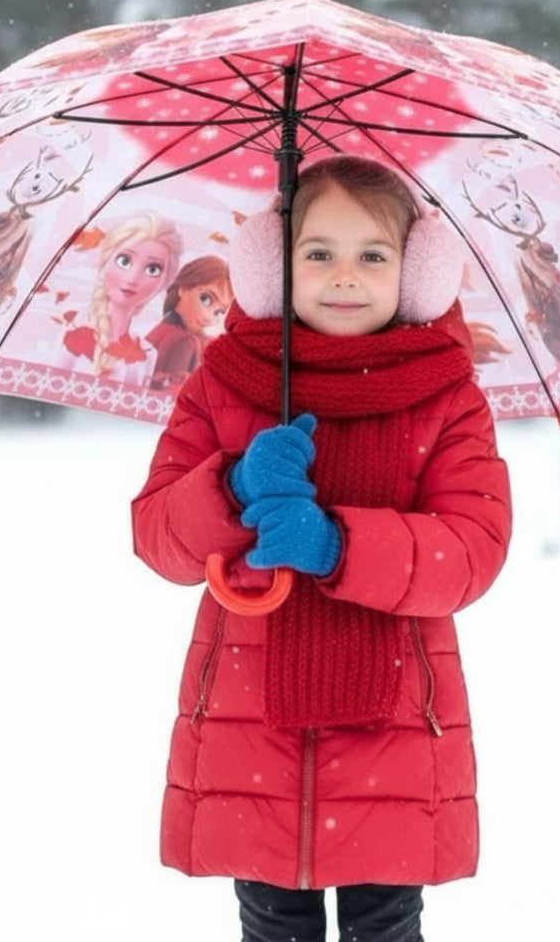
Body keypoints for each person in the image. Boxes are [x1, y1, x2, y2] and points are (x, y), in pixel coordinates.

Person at [131, 155, 512, 942]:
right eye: (319, 253)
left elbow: (471, 550)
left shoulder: (446, 396)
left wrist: (338, 544)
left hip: (399, 725)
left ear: (415, 273)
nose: (346, 276)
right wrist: (232, 486)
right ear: (274, 267)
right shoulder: (224, 384)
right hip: (250, 714)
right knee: (272, 926)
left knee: (384, 926)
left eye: (373, 254)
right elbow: (157, 538)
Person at [62, 211, 182, 385]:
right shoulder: (73, 335)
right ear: (105, 262)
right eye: (124, 261)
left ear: (165, 282)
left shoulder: (147, 353)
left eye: (153, 269)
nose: (133, 279)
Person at [146, 255, 233, 390]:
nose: (208, 316)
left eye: (219, 312)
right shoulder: (184, 341)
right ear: (183, 289)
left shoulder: (163, 329)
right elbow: (173, 396)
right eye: (205, 299)